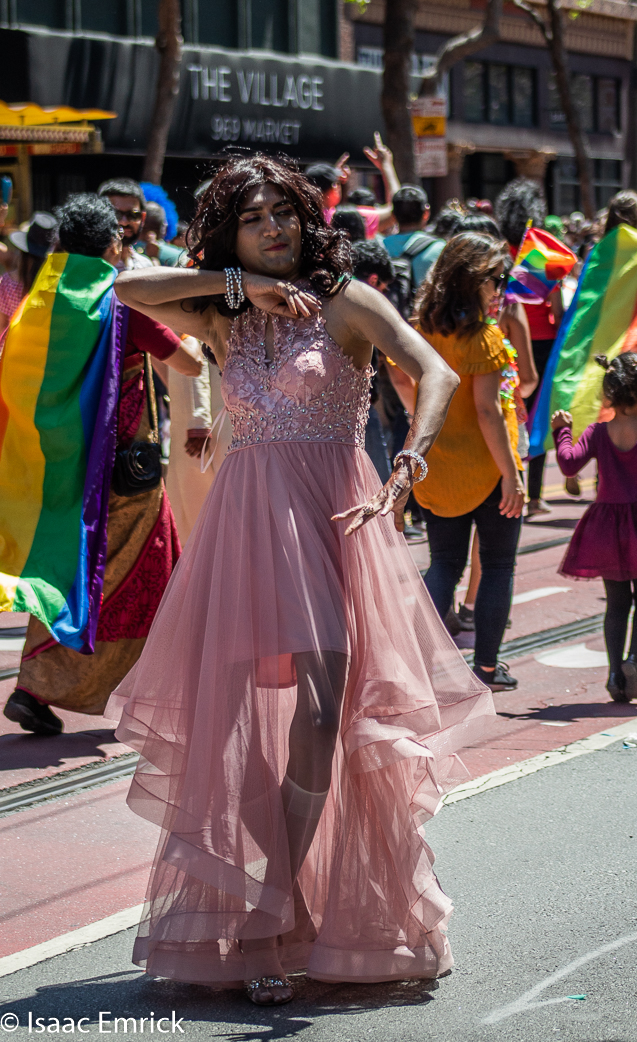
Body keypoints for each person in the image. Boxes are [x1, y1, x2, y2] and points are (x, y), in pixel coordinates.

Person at [106, 152, 495, 1005]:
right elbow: (126, 286)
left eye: (283, 212)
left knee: (324, 713)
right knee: (231, 726)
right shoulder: (219, 313)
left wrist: (411, 461)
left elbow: (431, 371)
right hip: (247, 528)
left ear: (305, 219)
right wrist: (239, 287)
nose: (273, 228)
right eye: (252, 218)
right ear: (230, 236)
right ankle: (277, 909)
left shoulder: (345, 300)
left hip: (333, 518)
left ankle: (275, 907)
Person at [2, 194, 200, 736]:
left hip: (58, 471)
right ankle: (132, 689)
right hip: (123, 474)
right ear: (114, 244)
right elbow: (185, 362)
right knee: (143, 572)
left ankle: (40, 687)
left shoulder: (37, 303)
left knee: (68, 569)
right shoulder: (119, 302)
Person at [412, 232, 525, 692]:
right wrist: (512, 475)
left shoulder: (421, 329)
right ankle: (487, 669)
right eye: (495, 279)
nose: (501, 289)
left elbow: (408, 388)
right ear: (472, 280)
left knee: (443, 563)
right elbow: (488, 411)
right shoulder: (483, 338)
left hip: (438, 466)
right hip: (489, 467)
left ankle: (412, 666)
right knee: (497, 566)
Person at [552, 354, 637, 703]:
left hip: (608, 527)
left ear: (609, 395)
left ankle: (615, 674)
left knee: (616, 604)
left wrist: (562, 431)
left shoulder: (598, 432)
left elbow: (568, 463)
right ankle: (635, 659)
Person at [496, 178, 563, 517]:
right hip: (543, 343)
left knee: (505, 411)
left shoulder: (495, 250)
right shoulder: (542, 251)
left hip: (503, 341)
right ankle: (534, 496)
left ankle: (508, 485)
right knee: (537, 418)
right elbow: (558, 310)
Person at [383, 186, 444, 319]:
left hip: (388, 321)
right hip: (425, 322)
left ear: (393, 216)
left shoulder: (379, 247)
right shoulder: (440, 248)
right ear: (426, 213)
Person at [0, 211, 56, 347]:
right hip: (44, 352)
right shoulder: (56, 286)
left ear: (22, 249)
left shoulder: (7, 283)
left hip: (13, 349)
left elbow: (2, 326)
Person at [97, 178, 153, 270]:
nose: (124, 222)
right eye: (115, 214)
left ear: (142, 218)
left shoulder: (145, 266)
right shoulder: (87, 266)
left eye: (132, 215)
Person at [139, 201, 185, 267]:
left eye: (155, 228)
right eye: (145, 228)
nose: (150, 234)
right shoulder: (180, 256)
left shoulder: (127, 251)